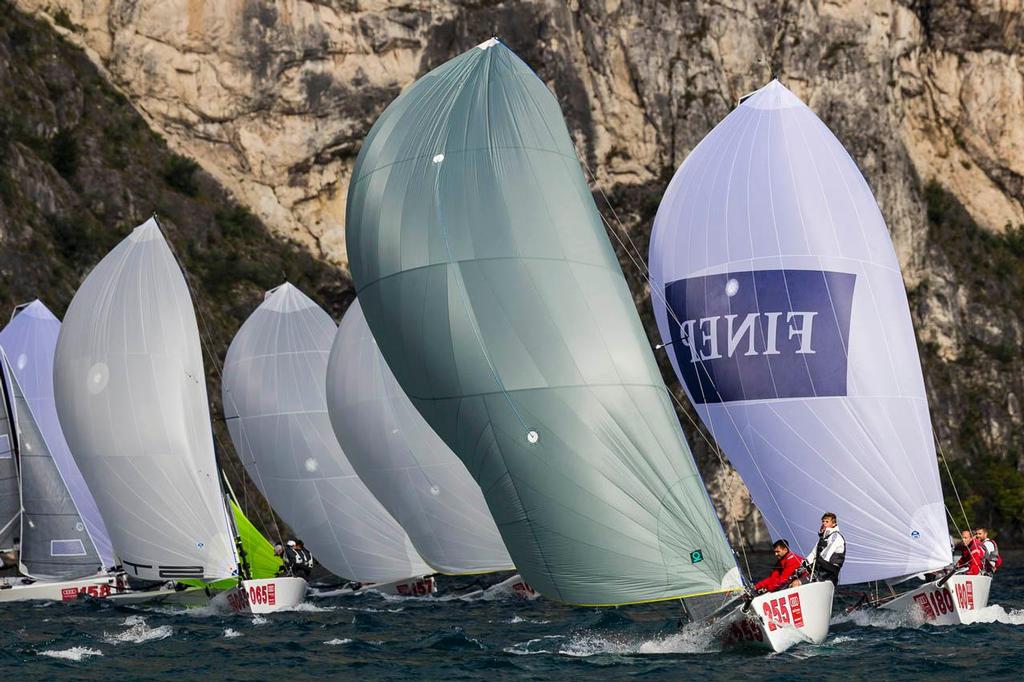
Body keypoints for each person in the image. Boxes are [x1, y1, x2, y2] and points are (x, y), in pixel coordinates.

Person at [803, 512, 845, 585]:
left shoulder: (836, 536)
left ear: (834, 524)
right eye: (823, 521)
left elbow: (826, 555)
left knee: (799, 583)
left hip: (829, 573)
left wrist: (812, 567)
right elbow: (813, 553)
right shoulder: (823, 538)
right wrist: (803, 565)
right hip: (820, 570)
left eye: (827, 521)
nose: (824, 523)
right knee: (795, 581)